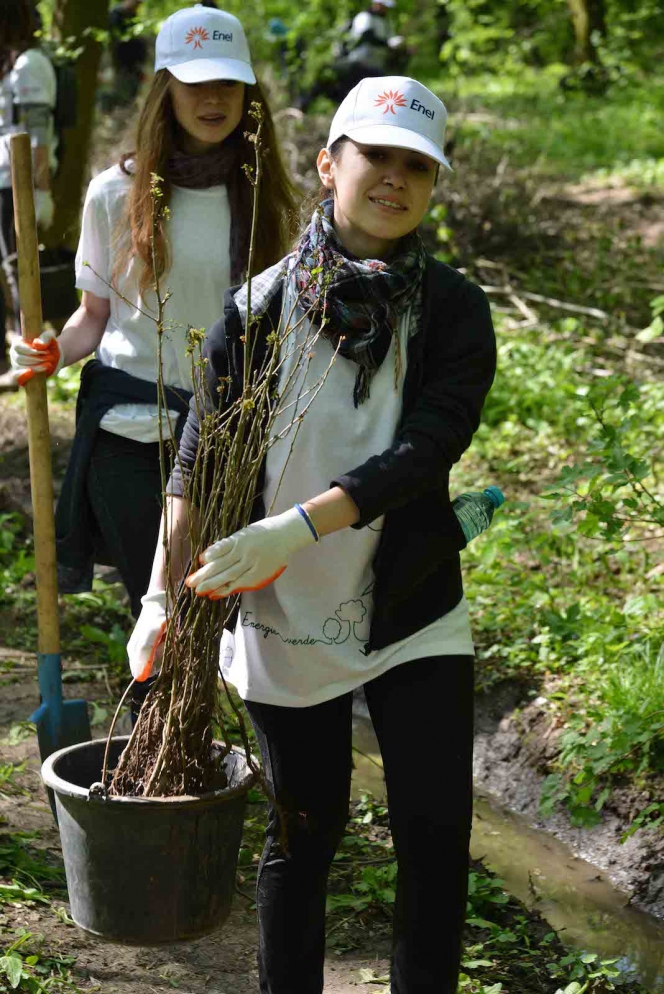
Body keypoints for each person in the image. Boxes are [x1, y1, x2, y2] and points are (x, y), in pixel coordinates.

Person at [129, 74, 497, 993]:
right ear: (330, 163)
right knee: (305, 833)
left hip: (411, 607)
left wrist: (297, 524)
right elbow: (197, 468)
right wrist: (158, 598)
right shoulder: (257, 315)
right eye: (377, 156)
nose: (395, 179)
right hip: (286, 608)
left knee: (435, 836)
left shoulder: (452, 310)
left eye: (418, 166)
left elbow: (427, 448)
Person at [11, 4, 299, 720]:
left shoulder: (263, 196)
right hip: (131, 433)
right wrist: (46, 353)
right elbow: (94, 318)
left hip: (229, 439)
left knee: (210, 612)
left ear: (248, 93)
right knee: (165, 611)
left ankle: (185, 753)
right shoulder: (116, 193)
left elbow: (283, 328)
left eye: (228, 86)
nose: (212, 100)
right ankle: (150, 761)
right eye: (194, 83)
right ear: (164, 87)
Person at [0, 0, 56, 383]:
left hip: (18, 184)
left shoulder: (31, 63)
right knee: (8, 268)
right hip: (4, 181)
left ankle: (31, 354)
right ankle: (15, 355)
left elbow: (38, 134)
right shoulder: (11, 63)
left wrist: (41, 191)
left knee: (18, 268)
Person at [108, 0, 147, 107]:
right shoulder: (115, 16)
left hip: (134, 68)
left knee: (130, 99)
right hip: (121, 66)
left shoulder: (134, 19)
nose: (137, 5)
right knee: (121, 98)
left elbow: (139, 44)